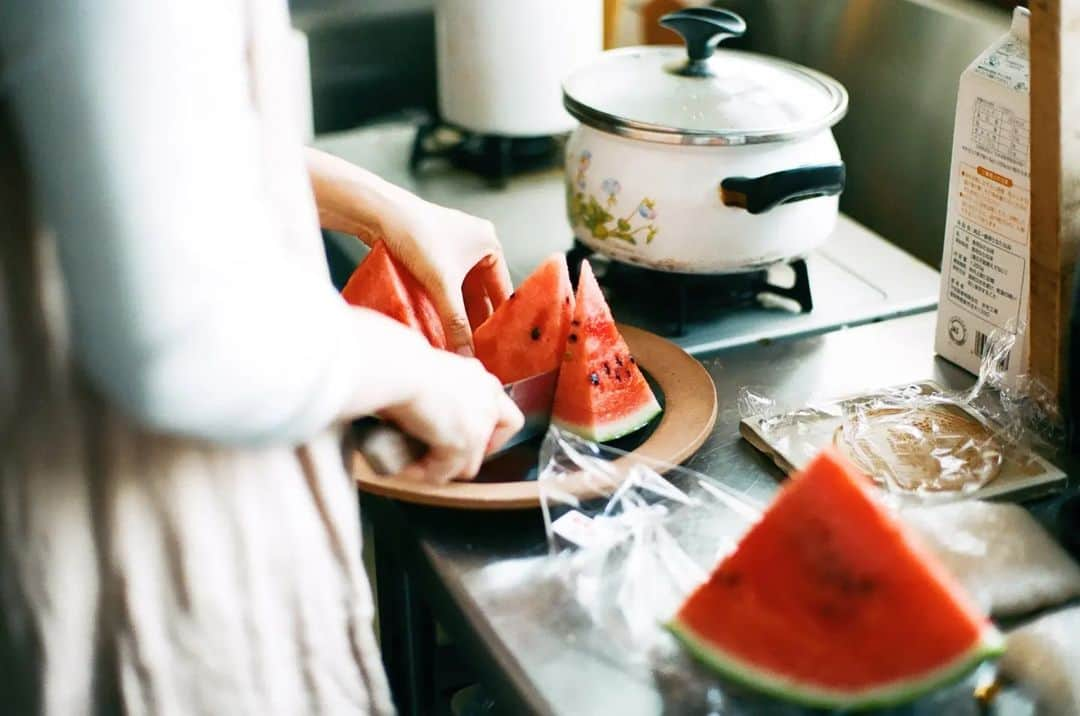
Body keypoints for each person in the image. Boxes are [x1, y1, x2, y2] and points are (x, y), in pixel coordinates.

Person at [0, 0, 523, 713]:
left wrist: (377, 205)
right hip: (134, 547)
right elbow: (179, 343)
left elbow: (144, 130)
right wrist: (414, 369)